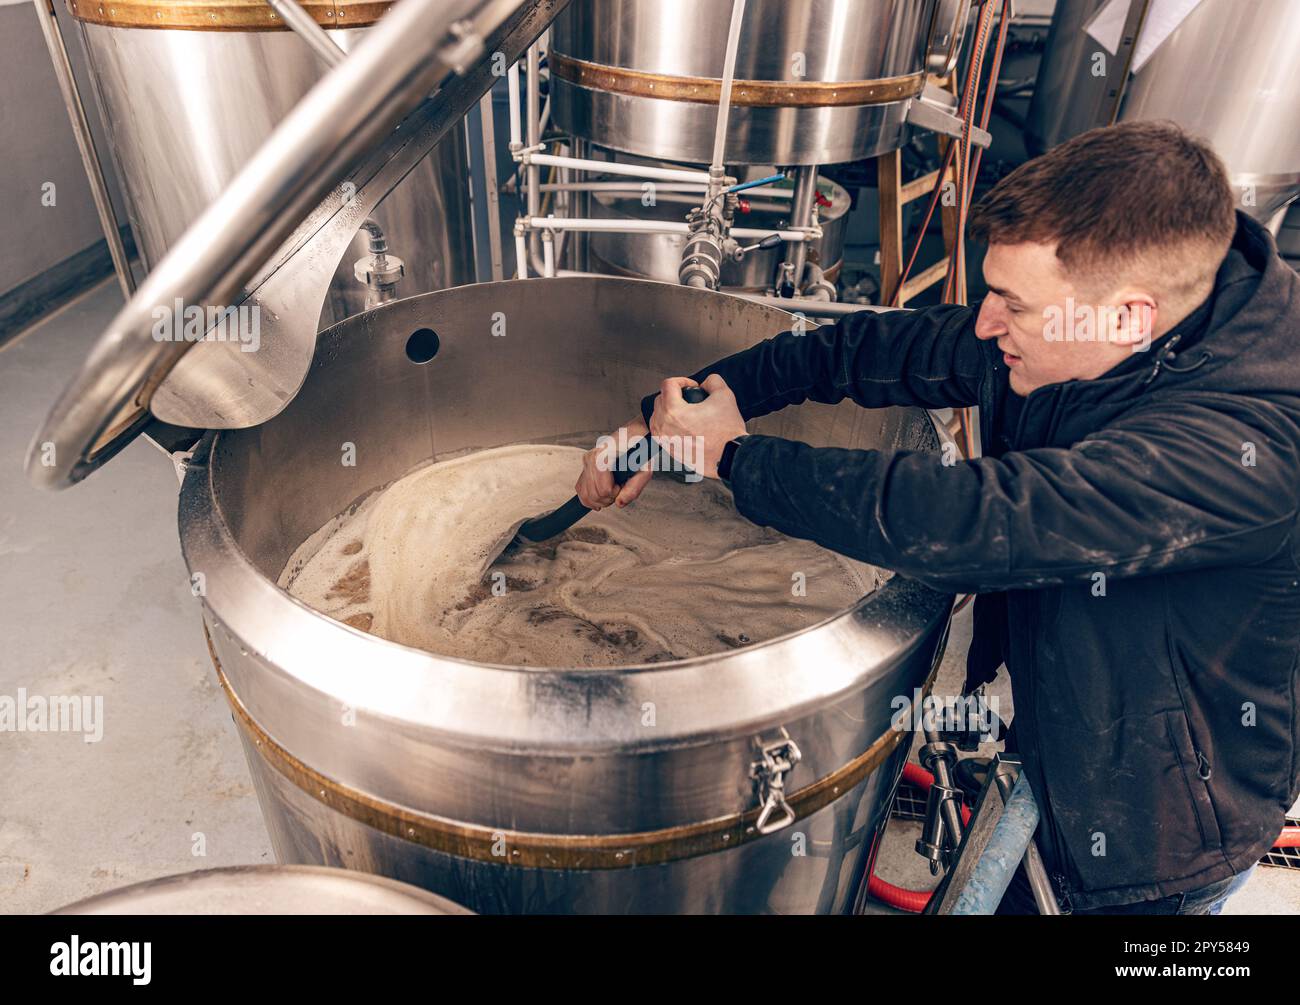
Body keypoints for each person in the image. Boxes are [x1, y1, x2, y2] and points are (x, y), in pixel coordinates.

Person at [574, 121, 1300, 914]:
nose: (986, 324)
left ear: (1126, 316)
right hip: (1053, 722)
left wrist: (735, 460)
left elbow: (983, 524)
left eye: (1012, 306)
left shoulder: (1249, 446)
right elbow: (876, 352)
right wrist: (670, 419)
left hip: (1146, 830)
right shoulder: (1120, 315)